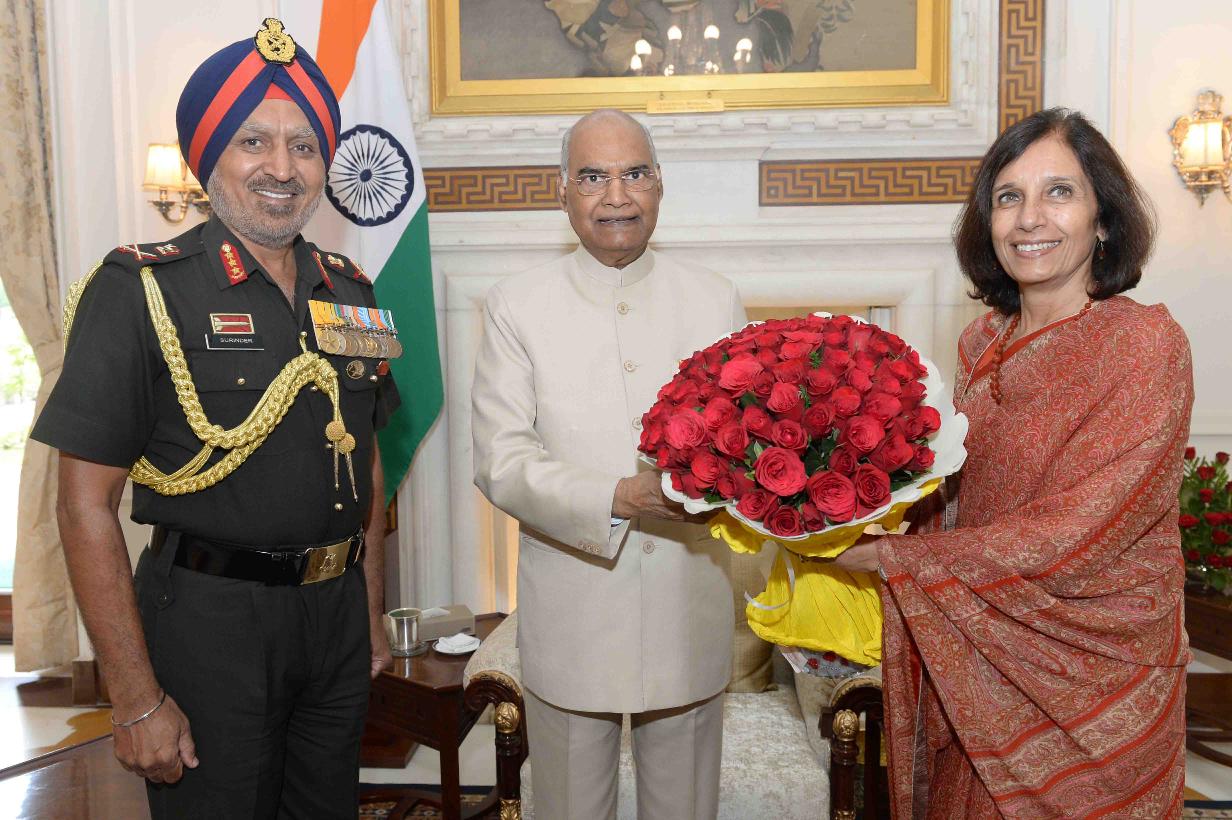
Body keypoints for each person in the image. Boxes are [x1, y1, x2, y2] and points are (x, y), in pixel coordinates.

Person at [30, 18, 400, 819]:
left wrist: (369, 613)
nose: (282, 168)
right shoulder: (140, 290)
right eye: (252, 141)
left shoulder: (352, 291)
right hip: (209, 621)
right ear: (207, 157)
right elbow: (84, 504)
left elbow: (366, 462)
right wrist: (133, 696)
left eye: (304, 146)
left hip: (335, 619)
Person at [836, 108, 1193, 817]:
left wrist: (895, 561)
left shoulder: (1144, 344)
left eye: (1059, 192)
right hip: (979, 651)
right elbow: (954, 498)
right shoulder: (980, 345)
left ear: (1103, 219)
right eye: (1008, 197)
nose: (1030, 218)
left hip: (1099, 672)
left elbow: (1088, 527)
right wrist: (831, 511)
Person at [471, 109, 746, 820]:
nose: (616, 196)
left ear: (660, 185)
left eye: (634, 174)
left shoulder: (715, 297)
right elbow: (501, 460)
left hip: (688, 607)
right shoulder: (515, 304)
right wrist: (619, 496)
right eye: (593, 177)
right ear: (561, 191)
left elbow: (747, 442)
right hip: (573, 617)